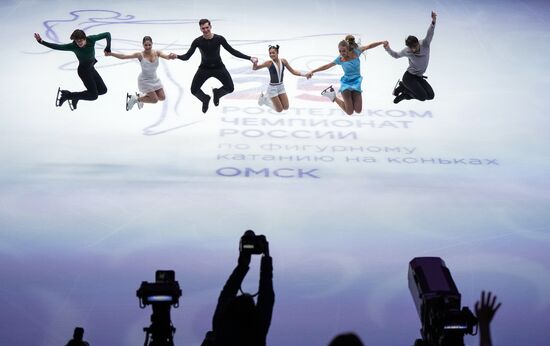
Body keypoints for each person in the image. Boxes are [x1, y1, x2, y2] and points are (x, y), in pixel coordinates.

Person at [202, 230, 275, 346]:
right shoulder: (257, 328)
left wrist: (242, 265)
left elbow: (227, 292)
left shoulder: (220, 325)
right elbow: (267, 297)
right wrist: (266, 256)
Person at [171, 19, 258, 113]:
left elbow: (232, 51)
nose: (205, 30)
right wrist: (177, 56)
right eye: (203, 28)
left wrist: (250, 58)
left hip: (218, 67)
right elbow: (187, 56)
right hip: (204, 68)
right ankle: (205, 99)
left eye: (207, 27)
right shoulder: (197, 41)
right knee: (194, 90)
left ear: (210, 27)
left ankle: (217, 93)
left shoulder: (219, 39)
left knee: (230, 88)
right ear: (200, 29)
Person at [306, 35, 385, 115]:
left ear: (348, 49)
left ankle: (349, 98)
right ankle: (332, 95)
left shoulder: (357, 52)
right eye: (340, 51)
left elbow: (369, 46)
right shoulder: (340, 59)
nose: (341, 53)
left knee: (358, 110)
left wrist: (382, 42)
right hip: (346, 83)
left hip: (357, 82)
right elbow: (327, 66)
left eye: (343, 51)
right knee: (349, 112)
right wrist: (313, 71)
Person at [34, 29, 111, 110]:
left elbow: (107, 34)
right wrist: (41, 41)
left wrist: (108, 47)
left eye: (81, 41)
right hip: (84, 71)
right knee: (93, 96)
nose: (79, 43)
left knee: (103, 90)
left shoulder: (91, 39)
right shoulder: (73, 46)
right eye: (77, 41)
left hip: (91, 69)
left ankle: (75, 97)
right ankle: (67, 95)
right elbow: (58, 47)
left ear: (85, 38)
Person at [105, 36, 175, 111]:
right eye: (145, 45)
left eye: (149, 45)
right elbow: (124, 56)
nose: (147, 47)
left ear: (152, 44)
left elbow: (167, 57)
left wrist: (171, 56)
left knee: (162, 97)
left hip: (155, 79)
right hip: (144, 81)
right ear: (143, 45)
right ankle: (135, 99)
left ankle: (141, 97)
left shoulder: (157, 53)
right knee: (154, 100)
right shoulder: (140, 55)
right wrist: (111, 54)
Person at [383, 11, 437, 104]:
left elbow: (430, 33)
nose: (413, 50)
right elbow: (396, 55)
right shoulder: (407, 51)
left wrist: (433, 21)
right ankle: (405, 94)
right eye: (411, 48)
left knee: (430, 96)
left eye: (415, 47)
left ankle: (403, 86)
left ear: (418, 43)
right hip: (409, 77)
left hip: (419, 77)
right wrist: (387, 48)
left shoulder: (425, 44)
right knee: (422, 97)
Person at [252, 44, 305, 112]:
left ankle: (267, 99)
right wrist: (255, 63)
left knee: (286, 107)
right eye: (270, 53)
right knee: (279, 110)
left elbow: (293, 72)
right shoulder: (268, 63)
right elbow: (255, 68)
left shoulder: (283, 61)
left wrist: (305, 74)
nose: (271, 54)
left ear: (277, 53)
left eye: (273, 52)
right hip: (272, 88)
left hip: (281, 86)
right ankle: (264, 100)